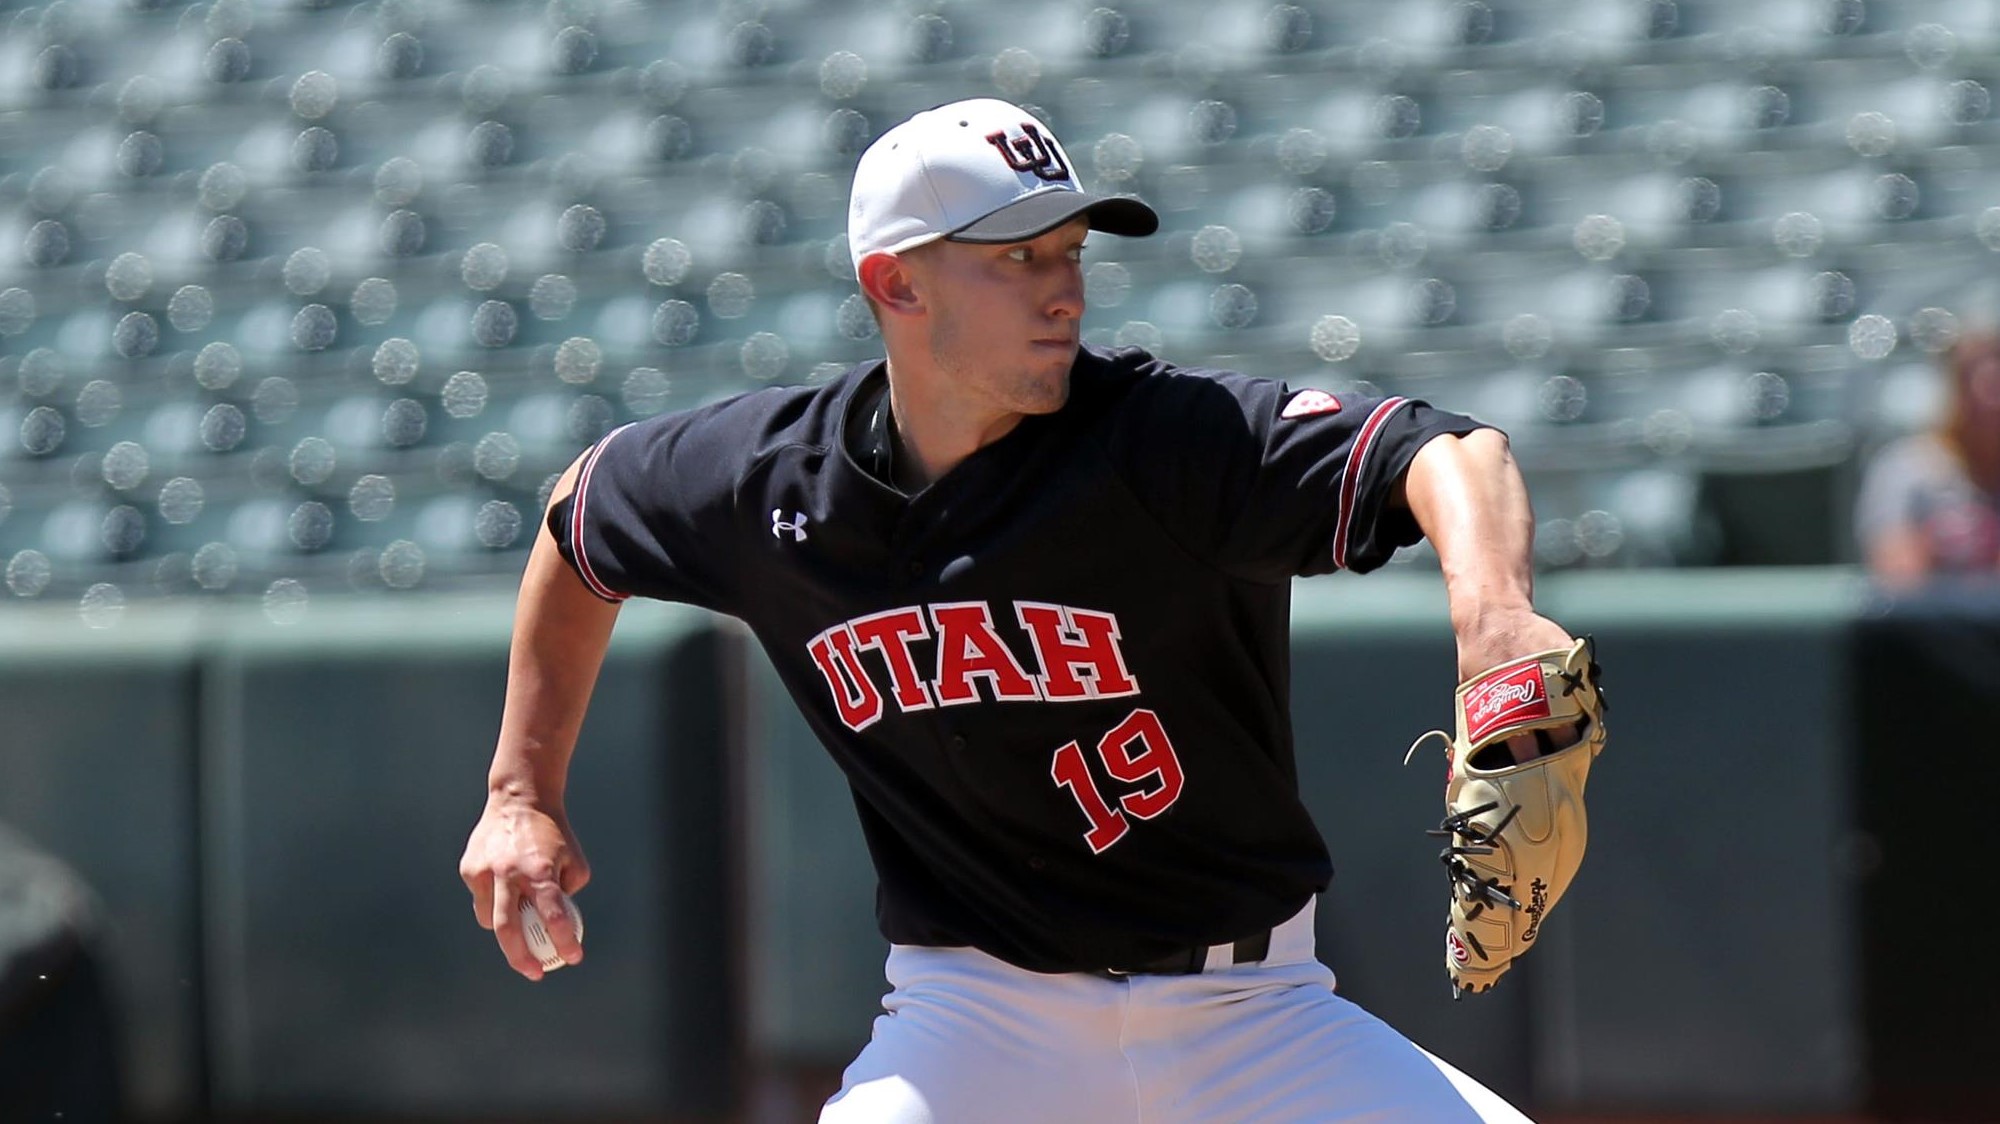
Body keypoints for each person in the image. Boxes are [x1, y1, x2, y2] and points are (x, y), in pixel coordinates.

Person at [460, 98, 1575, 1122]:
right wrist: (520, 791)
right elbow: (581, 514)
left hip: (1254, 1015)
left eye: (1070, 251)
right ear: (895, 283)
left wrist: (1492, 619)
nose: (1064, 288)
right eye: (1017, 257)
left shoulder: (1160, 442)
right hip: (971, 1025)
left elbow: (1441, 448)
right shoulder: (769, 483)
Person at [1856, 332, 2000, 588]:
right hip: (1932, 625)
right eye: (1979, 386)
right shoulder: (1906, 467)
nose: (1991, 403)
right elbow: (1897, 575)